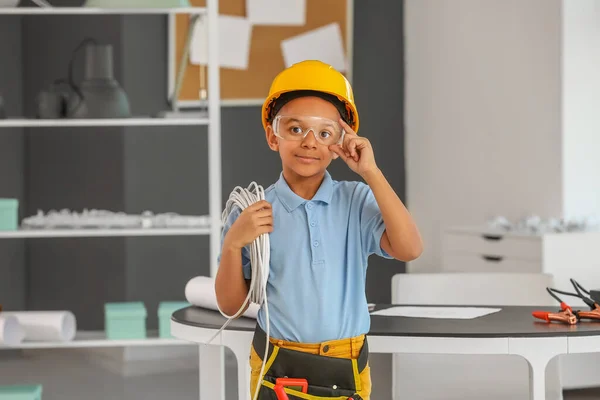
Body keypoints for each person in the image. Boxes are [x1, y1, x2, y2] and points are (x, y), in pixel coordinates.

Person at [215, 60, 423, 400]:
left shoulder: (356, 199)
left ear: (341, 144)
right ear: (273, 136)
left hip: (347, 363)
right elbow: (230, 305)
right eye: (295, 129)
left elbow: (410, 249)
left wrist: (370, 172)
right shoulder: (250, 210)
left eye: (325, 133)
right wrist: (232, 245)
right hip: (277, 363)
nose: (310, 142)